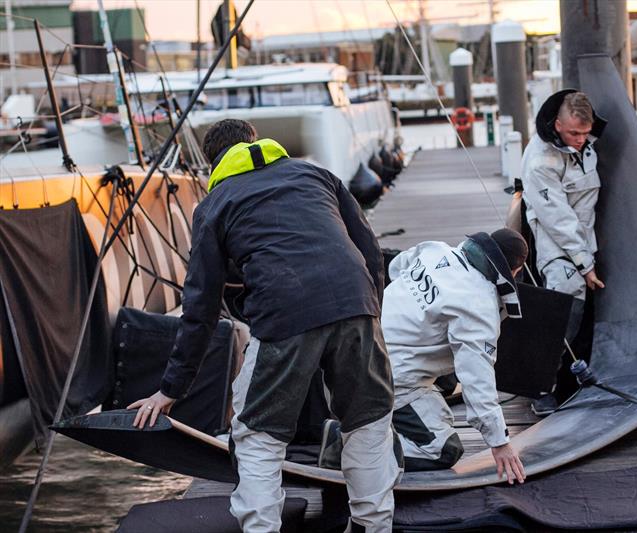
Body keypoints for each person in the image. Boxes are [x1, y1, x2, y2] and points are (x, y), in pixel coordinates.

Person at [129, 119, 401, 532]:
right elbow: (370, 252)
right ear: (257, 145)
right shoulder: (317, 175)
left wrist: (171, 389)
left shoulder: (214, 206)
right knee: (367, 422)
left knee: (257, 436)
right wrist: (370, 313)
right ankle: (372, 526)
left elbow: (200, 307)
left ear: (211, 163)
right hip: (357, 303)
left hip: (284, 314)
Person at [323, 229, 528, 483]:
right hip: (385, 378)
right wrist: (500, 442)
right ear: (513, 272)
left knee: (447, 377)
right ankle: (343, 444)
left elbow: (396, 268)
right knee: (443, 449)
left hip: (353, 351)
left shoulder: (435, 249)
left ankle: (364, 420)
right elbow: (478, 380)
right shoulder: (479, 308)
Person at [519, 89, 607, 416]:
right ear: (557, 125)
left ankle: (570, 371)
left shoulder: (585, 143)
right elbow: (556, 217)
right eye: (573, 133)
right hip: (554, 236)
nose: (581, 139)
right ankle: (540, 384)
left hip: (584, 233)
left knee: (579, 300)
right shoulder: (542, 160)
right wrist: (584, 263)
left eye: (586, 133)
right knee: (565, 290)